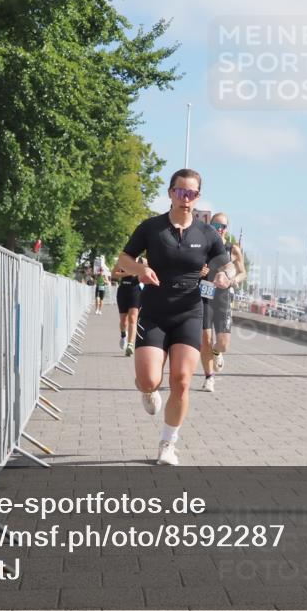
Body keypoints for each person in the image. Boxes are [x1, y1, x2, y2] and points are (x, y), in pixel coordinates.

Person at [115, 169, 235, 465]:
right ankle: (148, 390)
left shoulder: (206, 233)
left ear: (198, 197)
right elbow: (123, 259)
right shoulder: (151, 228)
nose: (186, 198)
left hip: (189, 313)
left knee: (181, 381)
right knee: (148, 380)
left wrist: (226, 276)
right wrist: (141, 269)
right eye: (181, 192)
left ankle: (168, 445)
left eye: (192, 193)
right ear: (170, 193)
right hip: (154, 312)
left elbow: (227, 264)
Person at [199, 213, 246, 392]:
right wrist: (199, 272)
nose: (219, 230)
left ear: (227, 229)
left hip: (223, 297)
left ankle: (217, 352)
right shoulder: (202, 246)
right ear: (210, 226)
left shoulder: (232, 249)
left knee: (223, 343)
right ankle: (209, 377)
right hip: (204, 295)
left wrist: (233, 280)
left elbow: (242, 272)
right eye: (216, 226)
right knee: (205, 339)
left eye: (223, 227)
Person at [113, 257, 143, 356]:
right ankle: (123, 335)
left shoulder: (141, 261)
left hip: (135, 291)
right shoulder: (123, 261)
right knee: (123, 321)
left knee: (133, 318)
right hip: (123, 291)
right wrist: (128, 273)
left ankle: (130, 345)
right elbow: (114, 274)